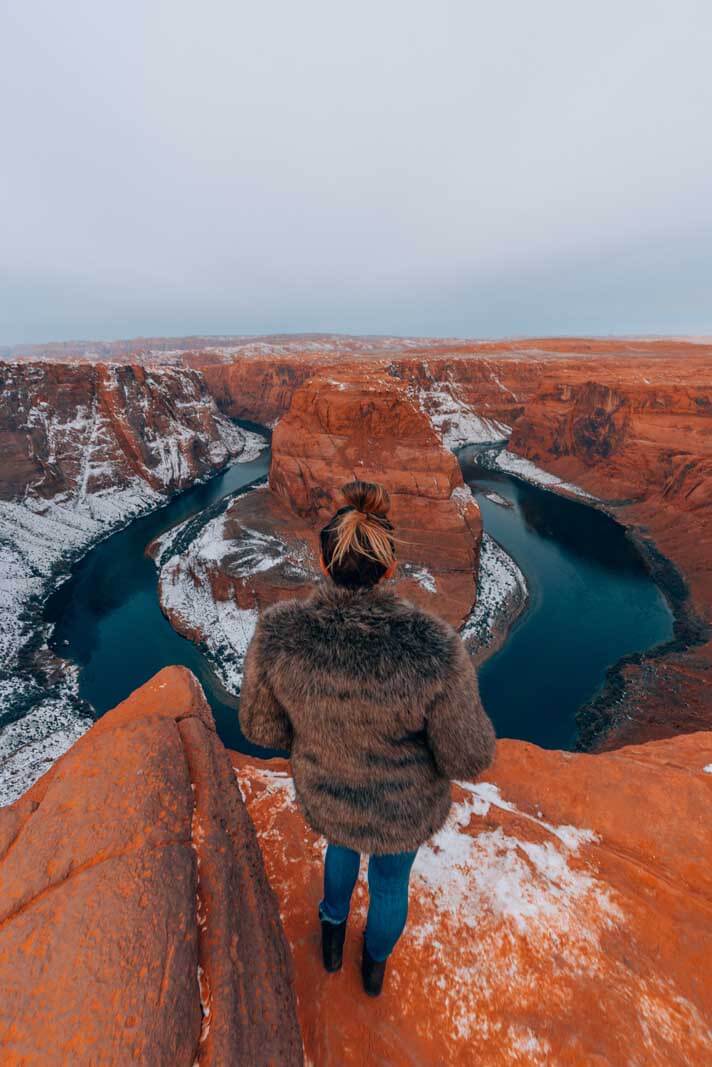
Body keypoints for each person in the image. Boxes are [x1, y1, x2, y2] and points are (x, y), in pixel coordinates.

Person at [239, 479, 496, 996]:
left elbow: (259, 727)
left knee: (340, 847)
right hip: (402, 809)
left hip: (331, 792)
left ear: (324, 559)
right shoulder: (433, 648)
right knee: (389, 886)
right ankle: (373, 969)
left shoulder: (279, 633)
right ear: (391, 567)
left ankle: (331, 938)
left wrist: (321, 734)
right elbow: (467, 756)